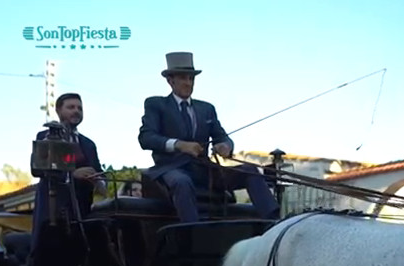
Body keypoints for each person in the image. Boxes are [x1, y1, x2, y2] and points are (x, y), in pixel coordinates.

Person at [137, 52, 280, 223]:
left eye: (191, 79)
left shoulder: (206, 108)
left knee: (249, 171)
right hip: (171, 168)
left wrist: (225, 146)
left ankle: (274, 221)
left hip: (204, 169)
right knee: (181, 182)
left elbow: (222, 137)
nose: (188, 83)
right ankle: (193, 231)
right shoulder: (156, 104)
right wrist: (179, 145)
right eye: (183, 78)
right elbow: (146, 138)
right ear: (170, 80)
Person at [31, 92, 106, 252]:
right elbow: (37, 170)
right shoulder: (45, 136)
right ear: (58, 111)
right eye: (71, 107)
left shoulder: (89, 144)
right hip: (53, 210)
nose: (76, 111)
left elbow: (99, 173)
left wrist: (99, 181)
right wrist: (73, 175)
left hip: (83, 209)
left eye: (80, 108)